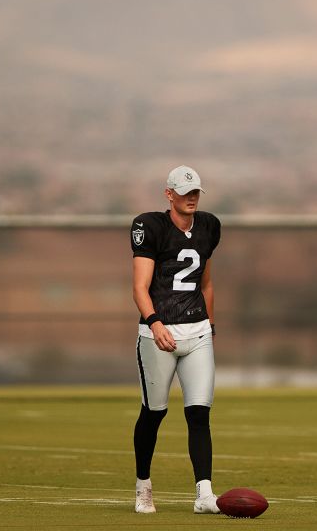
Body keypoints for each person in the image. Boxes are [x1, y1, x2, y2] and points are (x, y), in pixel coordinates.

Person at [130, 165, 222, 514]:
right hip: (159, 333)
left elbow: (207, 283)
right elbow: (139, 287)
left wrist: (210, 326)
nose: (191, 198)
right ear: (169, 194)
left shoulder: (209, 226)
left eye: (196, 191)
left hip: (196, 330)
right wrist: (154, 324)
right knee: (154, 413)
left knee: (199, 414)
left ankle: (204, 494)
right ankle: (143, 486)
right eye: (184, 192)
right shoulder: (150, 226)